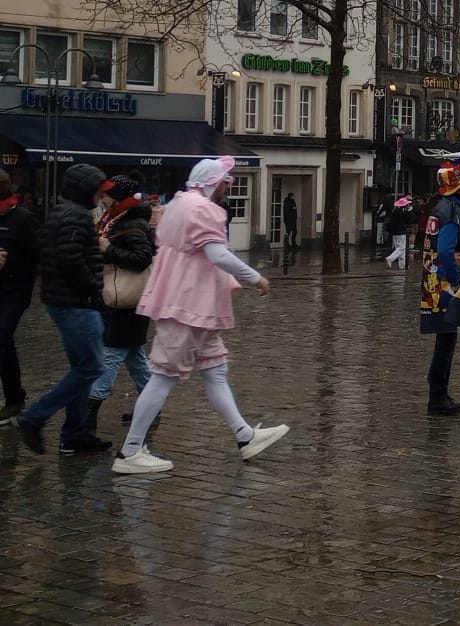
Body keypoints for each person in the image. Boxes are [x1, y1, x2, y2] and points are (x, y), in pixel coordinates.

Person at [111, 158, 287, 474]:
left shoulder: (178, 205)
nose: (227, 187)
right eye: (225, 181)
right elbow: (217, 254)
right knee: (163, 376)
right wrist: (255, 277)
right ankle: (130, 451)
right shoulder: (202, 209)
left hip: (191, 303)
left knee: (215, 370)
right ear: (213, 181)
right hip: (189, 304)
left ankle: (245, 436)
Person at [12, 163, 112, 456]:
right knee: (91, 367)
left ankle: (74, 435)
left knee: (82, 368)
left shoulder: (62, 212)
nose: (100, 196)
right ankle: (35, 417)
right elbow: (70, 260)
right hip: (76, 305)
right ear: (85, 190)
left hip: (65, 302)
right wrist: (92, 289)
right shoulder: (75, 215)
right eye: (97, 190)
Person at [90, 176, 156, 432]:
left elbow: (141, 258)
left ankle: (90, 409)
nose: (103, 200)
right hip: (124, 301)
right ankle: (153, 403)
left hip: (128, 302)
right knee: (134, 358)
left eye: (107, 195)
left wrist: (107, 250)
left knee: (111, 355)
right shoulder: (114, 219)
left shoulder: (132, 222)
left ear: (118, 198)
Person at [421, 159, 460, 416]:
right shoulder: (451, 211)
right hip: (445, 286)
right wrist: (458, 281)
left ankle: (440, 394)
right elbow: (446, 250)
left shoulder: (448, 207)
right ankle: (437, 397)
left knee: (445, 342)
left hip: (440, 283)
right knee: (445, 343)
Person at [0, 169, 38, 426]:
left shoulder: (23, 219)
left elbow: (39, 255)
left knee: (1, 339)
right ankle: (15, 399)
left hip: (15, 291)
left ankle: (14, 401)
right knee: (5, 344)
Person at [383, 196, 415, 270]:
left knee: (400, 249)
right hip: (401, 232)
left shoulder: (395, 211)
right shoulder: (401, 212)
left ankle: (402, 265)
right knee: (401, 248)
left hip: (394, 232)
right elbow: (409, 220)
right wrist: (409, 212)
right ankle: (390, 258)